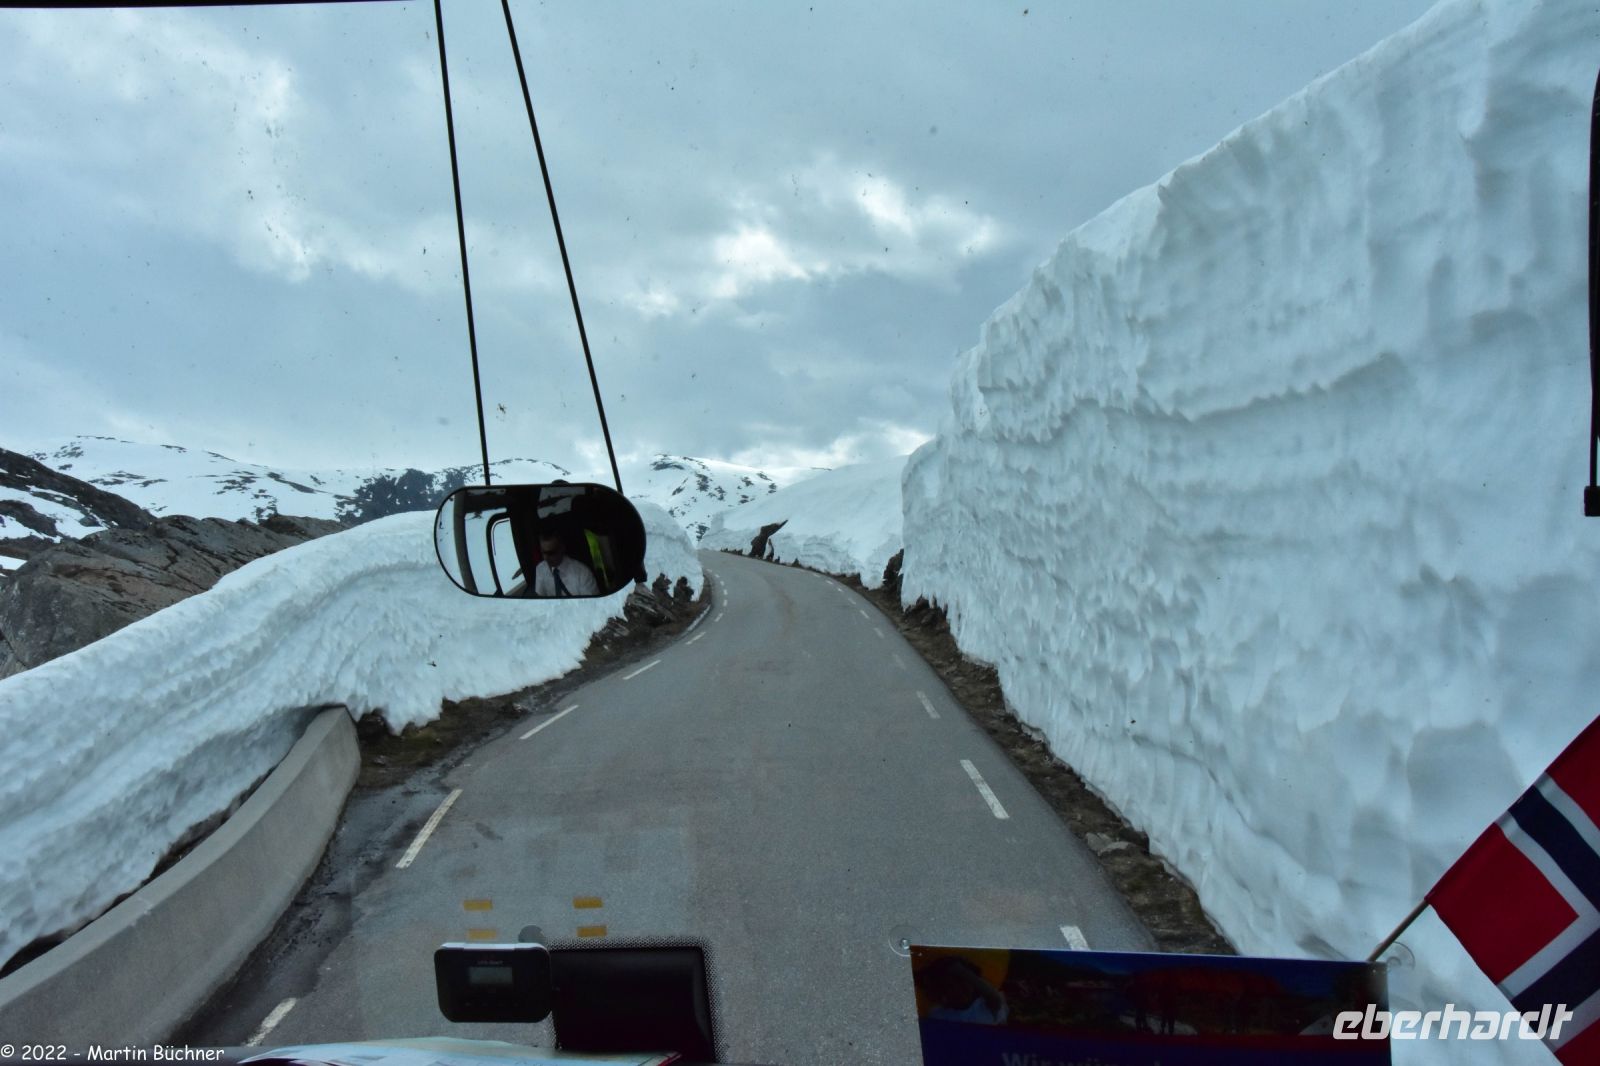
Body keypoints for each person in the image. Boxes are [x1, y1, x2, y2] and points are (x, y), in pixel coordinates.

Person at [532, 531, 599, 597]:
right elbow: (540, 600)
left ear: (562, 548)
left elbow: (590, 605)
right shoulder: (540, 569)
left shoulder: (582, 573)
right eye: (543, 552)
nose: (545, 558)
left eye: (551, 553)